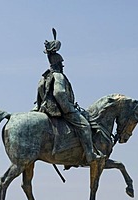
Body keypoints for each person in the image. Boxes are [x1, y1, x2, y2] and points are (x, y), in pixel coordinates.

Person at [35, 29, 102, 165]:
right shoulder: (58, 76)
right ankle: (90, 154)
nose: (62, 66)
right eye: (62, 64)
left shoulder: (44, 76)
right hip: (59, 110)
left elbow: (39, 96)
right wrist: (68, 108)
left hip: (43, 108)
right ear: (59, 64)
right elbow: (59, 93)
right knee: (84, 126)